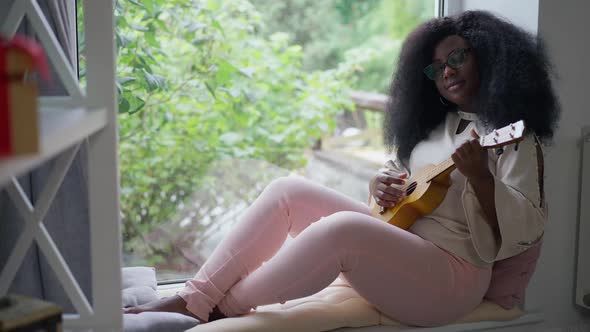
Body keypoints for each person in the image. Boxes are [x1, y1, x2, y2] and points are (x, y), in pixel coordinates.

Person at [124, 10, 559, 327]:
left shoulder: (515, 137)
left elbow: (528, 227)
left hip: (450, 279)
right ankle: (193, 297)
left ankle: (220, 311)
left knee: (343, 230)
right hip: (401, 243)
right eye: (437, 67)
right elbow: (398, 191)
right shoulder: (436, 128)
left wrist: (482, 177)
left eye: (457, 58)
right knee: (287, 190)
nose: (446, 71)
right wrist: (380, 185)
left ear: (485, 55)